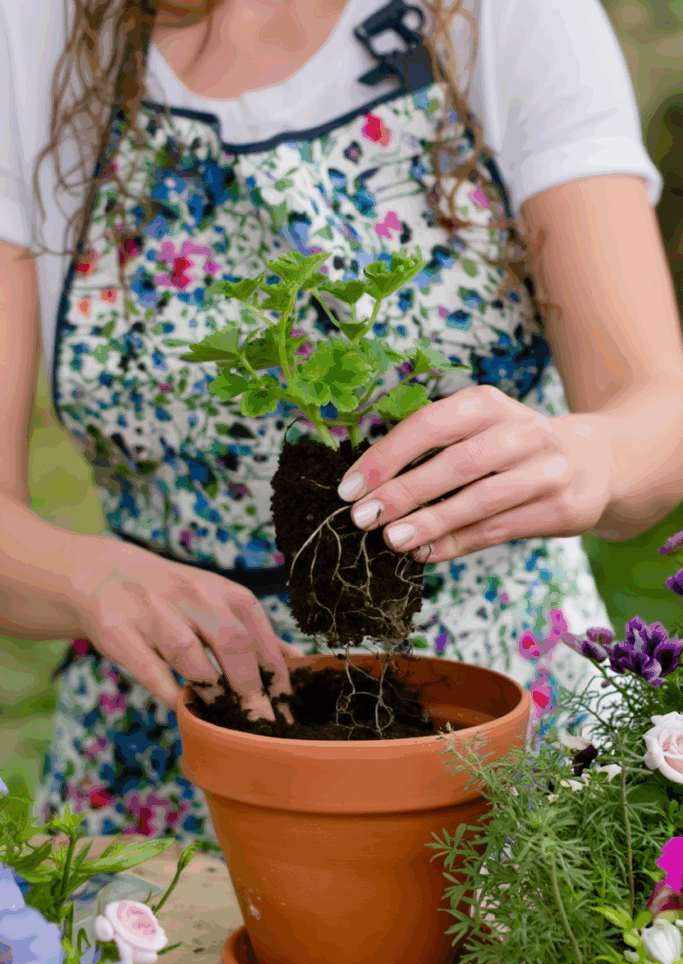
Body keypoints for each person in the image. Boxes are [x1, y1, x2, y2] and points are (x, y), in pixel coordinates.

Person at [0, 0, 681, 842]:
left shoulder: (498, 16)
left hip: (500, 730)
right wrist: (84, 575)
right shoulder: (38, 31)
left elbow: (657, 404)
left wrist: (594, 458)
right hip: (174, 747)